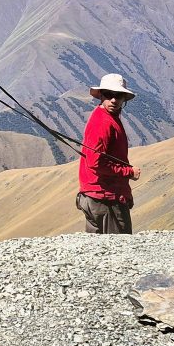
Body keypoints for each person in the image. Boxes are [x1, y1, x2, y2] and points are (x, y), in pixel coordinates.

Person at [75, 73, 142, 234]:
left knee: (100, 253)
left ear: (124, 98)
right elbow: (96, 163)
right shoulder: (103, 122)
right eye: (109, 95)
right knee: (120, 251)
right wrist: (128, 172)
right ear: (101, 95)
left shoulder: (107, 116)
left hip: (98, 196)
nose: (114, 100)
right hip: (105, 198)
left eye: (118, 95)